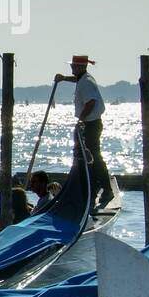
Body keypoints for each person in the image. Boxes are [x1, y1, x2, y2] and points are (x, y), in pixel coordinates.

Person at [54, 55, 111, 208]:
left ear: (80, 67)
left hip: (90, 124)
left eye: (73, 66)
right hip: (90, 123)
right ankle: (96, 186)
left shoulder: (85, 82)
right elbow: (76, 80)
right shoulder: (83, 78)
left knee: (93, 157)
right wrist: (63, 78)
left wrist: (81, 119)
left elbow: (91, 102)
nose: (71, 68)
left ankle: (105, 189)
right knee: (90, 157)